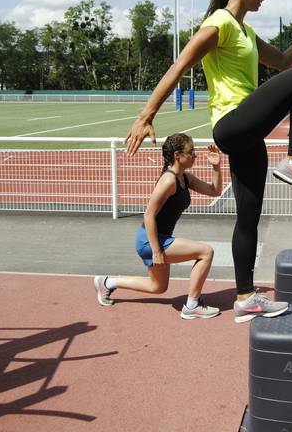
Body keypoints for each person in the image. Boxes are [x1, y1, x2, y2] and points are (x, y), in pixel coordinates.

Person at [124, 0, 292, 323]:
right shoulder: (218, 24)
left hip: (246, 134)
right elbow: (178, 66)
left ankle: (246, 297)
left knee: (248, 217)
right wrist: (146, 116)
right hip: (231, 122)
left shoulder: (247, 32)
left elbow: (284, 60)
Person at [94, 133, 223, 320]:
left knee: (158, 287)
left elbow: (214, 191)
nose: (195, 155)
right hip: (150, 240)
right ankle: (192, 305)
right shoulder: (169, 180)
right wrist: (156, 250)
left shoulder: (184, 178)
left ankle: (106, 282)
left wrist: (216, 167)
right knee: (206, 252)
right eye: (191, 151)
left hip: (159, 238)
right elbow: (149, 215)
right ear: (178, 155)